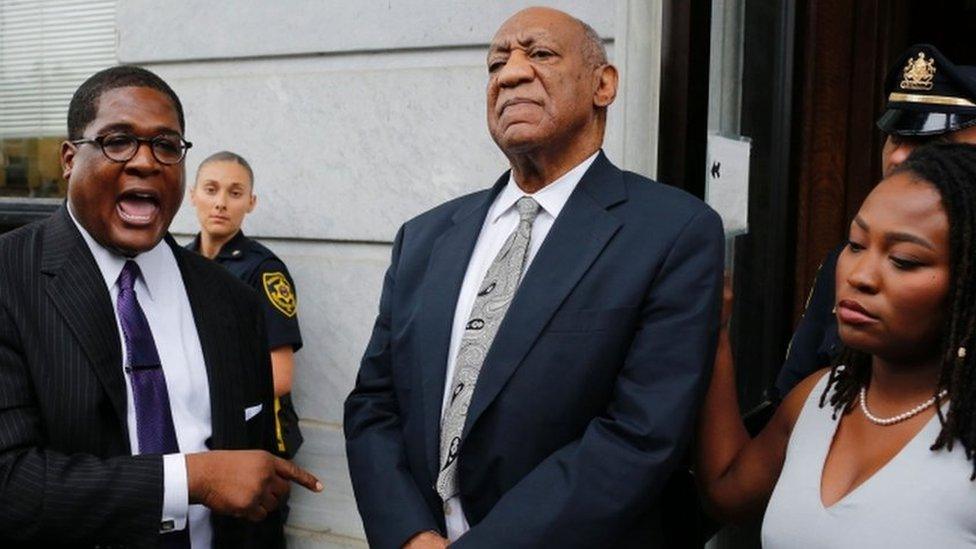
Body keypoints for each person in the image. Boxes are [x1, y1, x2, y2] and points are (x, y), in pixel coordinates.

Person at [344, 7, 724, 549]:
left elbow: (639, 434)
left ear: (603, 84)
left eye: (539, 54)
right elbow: (373, 405)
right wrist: (409, 534)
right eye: (496, 63)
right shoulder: (425, 238)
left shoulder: (674, 232)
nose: (510, 73)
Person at [0, 65, 321, 548]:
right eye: (118, 141)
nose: (146, 162)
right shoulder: (10, 278)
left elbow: (255, 487)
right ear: (69, 159)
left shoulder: (234, 301)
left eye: (166, 146)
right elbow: (11, 484)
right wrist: (191, 480)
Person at [697, 143, 976, 546]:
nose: (860, 275)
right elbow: (728, 493)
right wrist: (717, 333)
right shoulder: (819, 396)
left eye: (904, 260)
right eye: (856, 244)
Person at [774, 44, 976, 397]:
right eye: (895, 137)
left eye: (933, 141)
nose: (898, 156)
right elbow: (790, 402)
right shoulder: (850, 263)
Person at [186, 151, 304, 458]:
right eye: (210, 190)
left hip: (251, 439)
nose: (221, 202)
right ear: (192, 195)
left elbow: (280, 376)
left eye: (235, 193)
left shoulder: (263, 271)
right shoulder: (178, 263)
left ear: (251, 202)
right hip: (194, 434)